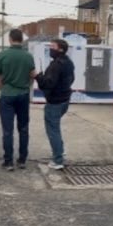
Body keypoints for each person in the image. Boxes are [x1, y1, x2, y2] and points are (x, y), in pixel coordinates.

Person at [0, 29, 35, 171]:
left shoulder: (2, 55)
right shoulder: (29, 56)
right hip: (23, 95)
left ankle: (8, 162)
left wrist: (3, 90)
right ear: (22, 39)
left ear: (10, 39)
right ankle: (22, 160)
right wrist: (25, 88)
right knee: (23, 129)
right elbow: (32, 76)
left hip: (7, 95)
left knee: (7, 130)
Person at [33, 38, 75, 171]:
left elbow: (48, 83)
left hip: (55, 102)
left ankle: (58, 160)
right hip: (64, 100)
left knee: (53, 130)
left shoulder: (56, 65)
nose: (50, 49)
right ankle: (60, 152)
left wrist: (37, 76)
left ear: (60, 49)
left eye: (53, 47)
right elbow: (71, 79)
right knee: (55, 128)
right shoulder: (68, 62)